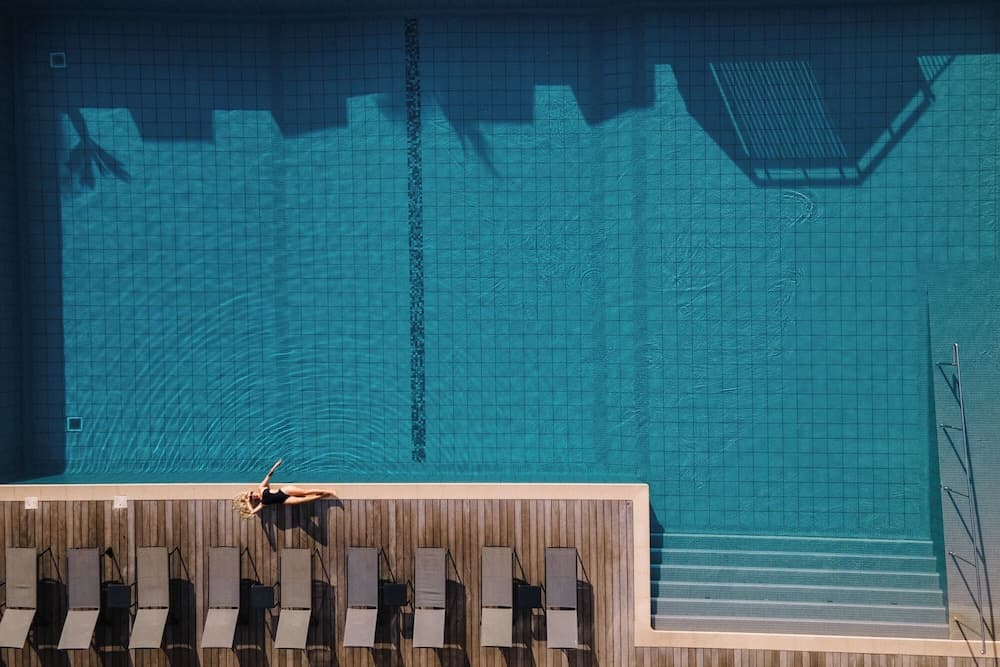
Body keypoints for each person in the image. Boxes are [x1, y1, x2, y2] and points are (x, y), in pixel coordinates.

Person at [234, 459, 336, 519]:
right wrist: (247, 502)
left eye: (251, 493)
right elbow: (252, 512)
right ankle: (323, 496)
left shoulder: (261, 488)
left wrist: (275, 466)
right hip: (285, 500)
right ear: (252, 499)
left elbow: (268, 476)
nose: (253, 495)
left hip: (284, 490)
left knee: (306, 492)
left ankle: (328, 491)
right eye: (251, 497)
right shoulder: (262, 503)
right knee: (305, 499)